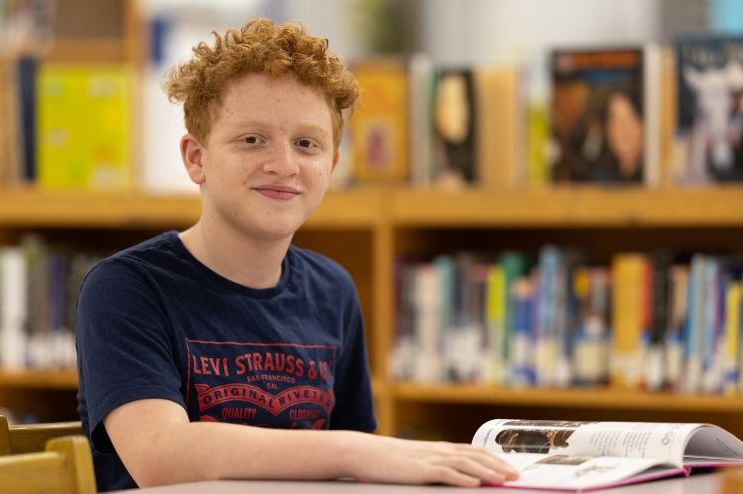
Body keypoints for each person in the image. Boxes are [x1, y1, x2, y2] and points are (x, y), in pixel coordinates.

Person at [75, 19, 518, 492]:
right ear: (196, 158)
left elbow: (356, 474)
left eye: (306, 144)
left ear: (330, 165)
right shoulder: (125, 289)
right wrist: (352, 449)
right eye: (252, 139)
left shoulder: (334, 291)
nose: (284, 165)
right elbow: (161, 456)